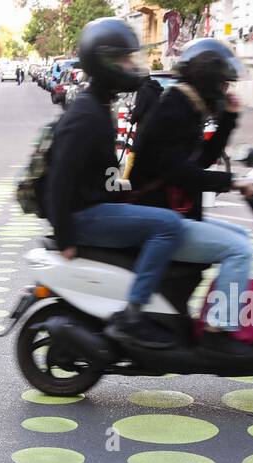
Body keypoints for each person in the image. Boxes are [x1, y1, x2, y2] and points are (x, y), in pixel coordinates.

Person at [45, 18, 186, 350]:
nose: (130, 66)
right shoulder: (86, 115)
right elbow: (60, 181)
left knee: (159, 216)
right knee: (168, 226)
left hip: (94, 207)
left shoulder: (99, 106)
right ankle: (133, 315)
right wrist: (65, 236)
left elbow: (103, 174)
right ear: (104, 61)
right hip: (85, 216)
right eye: (123, 59)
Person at [129, 38, 253, 357]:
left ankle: (208, 315)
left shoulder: (185, 105)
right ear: (210, 83)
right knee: (239, 249)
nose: (227, 91)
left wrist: (228, 119)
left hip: (170, 215)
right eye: (224, 85)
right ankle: (218, 329)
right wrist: (234, 182)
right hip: (160, 221)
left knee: (241, 236)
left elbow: (200, 160)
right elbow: (181, 173)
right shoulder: (175, 110)